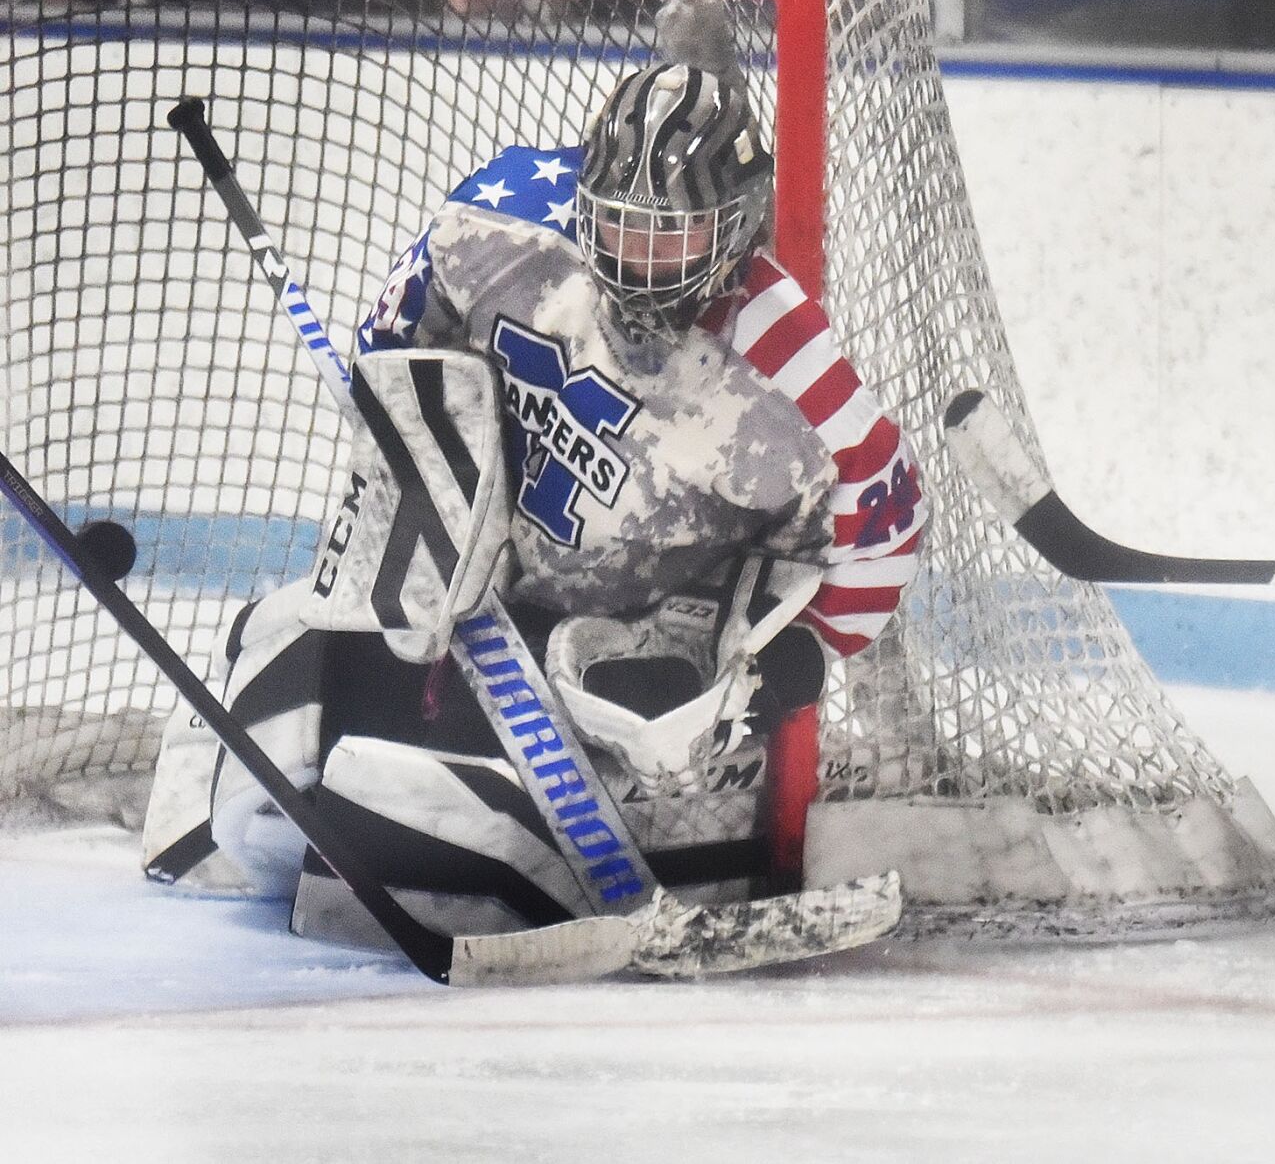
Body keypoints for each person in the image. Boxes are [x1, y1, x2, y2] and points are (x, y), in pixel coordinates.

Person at [142, 49, 927, 941]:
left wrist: (804, 658)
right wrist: (417, 443)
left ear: (737, 227)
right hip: (484, 579)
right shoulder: (499, 217)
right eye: (621, 226)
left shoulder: (791, 367)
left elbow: (888, 527)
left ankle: (458, 857)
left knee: (457, 793)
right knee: (286, 649)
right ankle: (259, 820)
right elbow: (401, 345)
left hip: (627, 646)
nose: (640, 262)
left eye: (671, 239)